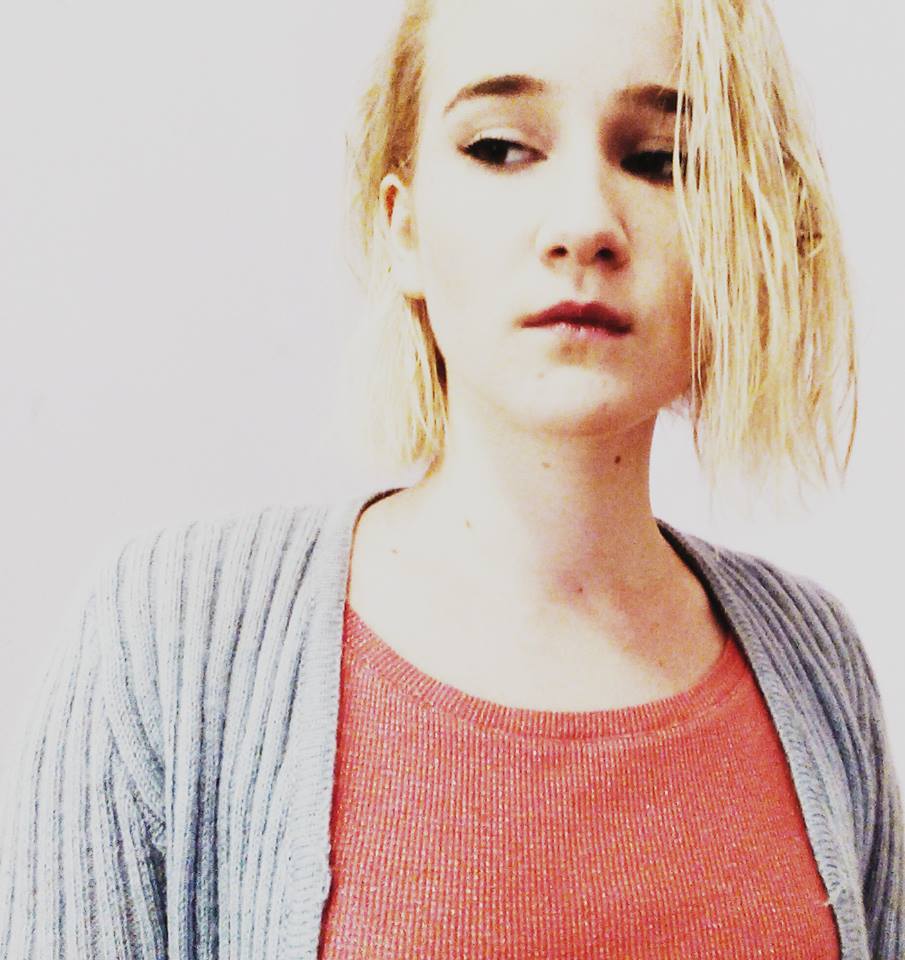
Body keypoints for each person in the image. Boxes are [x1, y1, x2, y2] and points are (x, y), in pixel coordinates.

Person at [0, 0, 901, 957]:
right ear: (403, 229)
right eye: (500, 148)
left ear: (739, 229)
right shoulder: (169, 642)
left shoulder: (817, 673)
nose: (583, 225)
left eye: (658, 159)